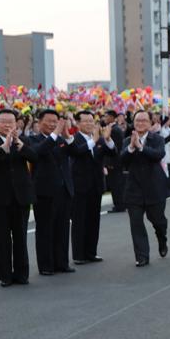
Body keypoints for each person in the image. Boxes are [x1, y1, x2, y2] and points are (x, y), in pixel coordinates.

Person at [0, 108, 38, 286]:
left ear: (17, 124)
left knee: (20, 236)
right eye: (4, 122)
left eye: (11, 122)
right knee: (2, 237)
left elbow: (35, 157)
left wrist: (20, 145)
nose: (7, 125)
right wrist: (5, 146)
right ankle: (5, 276)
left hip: (21, 195)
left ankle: (22, 274)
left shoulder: (25, 140)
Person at [29, 109, 80, 275]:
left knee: (62, 228)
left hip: (64, 190)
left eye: (55, 122)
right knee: (45, 229)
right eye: (49, 121)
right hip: (44, 192)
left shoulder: (61, 140)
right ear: (39, 122)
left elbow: (77, 152)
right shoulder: (32, 139)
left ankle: (62, 263)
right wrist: (55, 133)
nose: (52, 125)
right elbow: (38, 152)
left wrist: (67, 135)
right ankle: (46, 265)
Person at [119, 110, 169, 267]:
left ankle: (162, 239)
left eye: (143, 120)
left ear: (150, 123)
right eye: (137, 121)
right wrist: (132, 148)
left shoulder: (157, 139)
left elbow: (158, 154)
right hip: (134, 189)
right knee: (136, 223)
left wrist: (141, 147)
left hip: (154, 187)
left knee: (158, 221)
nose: (140, 123)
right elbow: (122, 159)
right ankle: (142, 256)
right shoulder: (128, 140)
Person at [70, 110, 107, 264]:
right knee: (80, 221)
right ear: (78, 124)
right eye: (85, 121)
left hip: (96, 186)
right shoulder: (74, 139)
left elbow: (111, 152)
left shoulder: (97, 139)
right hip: (80, 187)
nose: (89, 124)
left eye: (91, 121)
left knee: (93, 221)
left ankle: (91, 252)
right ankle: (79, 255)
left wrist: (107, 140)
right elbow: (77, 152)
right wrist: (95, 140)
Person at [102, 110, 127, 213]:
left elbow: (116, 148)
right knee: (115, 184)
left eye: (106, 116)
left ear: (112, 117)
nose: (104, 118)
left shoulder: (115, 130)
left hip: (115, 162)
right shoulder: (112, 128)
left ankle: (119, 205)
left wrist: (111, 163)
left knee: (116, 184)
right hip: (114, 161)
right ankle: (119, 204)